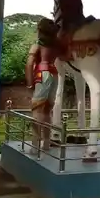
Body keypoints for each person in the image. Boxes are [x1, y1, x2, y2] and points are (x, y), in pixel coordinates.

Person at [25, 18, 62, 155]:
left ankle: (35, 145)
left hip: (42, 74)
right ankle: (46, 142)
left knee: (37, 109)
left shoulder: (37, 44)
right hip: (54, 74)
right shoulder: (56, 46)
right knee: (47, 110)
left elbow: (29, 64)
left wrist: (29, 83)